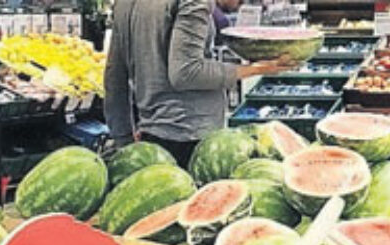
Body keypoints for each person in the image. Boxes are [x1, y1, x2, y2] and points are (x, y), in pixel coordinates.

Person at [104, 0, 291, 167]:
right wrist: (254, 69)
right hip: (192, 139)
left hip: (151, 140)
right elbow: (185, 73)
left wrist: (124, 142)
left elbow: (114, 77)